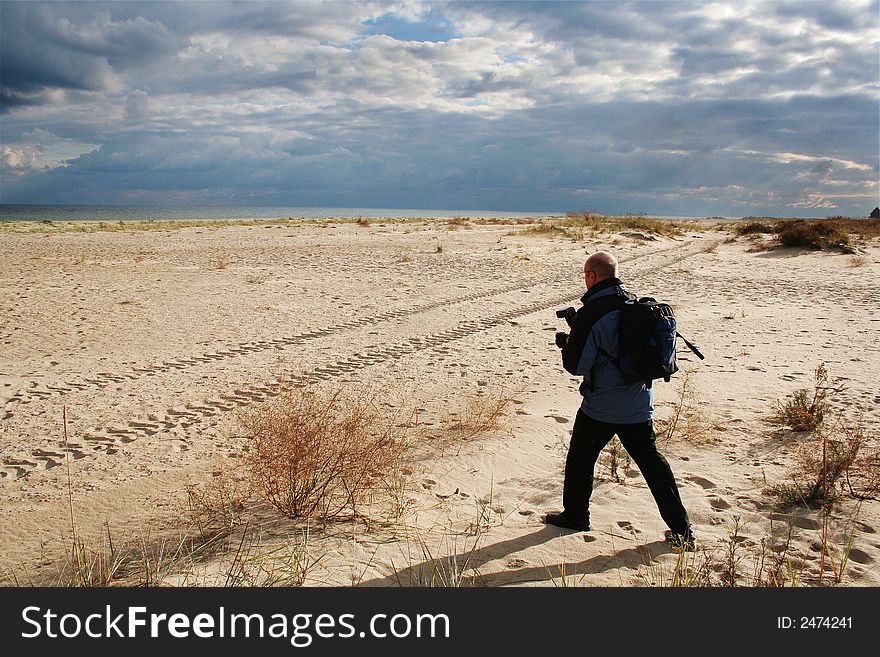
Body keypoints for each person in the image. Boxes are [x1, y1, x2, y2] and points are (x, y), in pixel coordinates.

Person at [545, 251, 695, 550]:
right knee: (653, 464)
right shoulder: (635, 304)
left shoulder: (593, 312)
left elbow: (577, 366)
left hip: (602, 405)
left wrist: (567, 345)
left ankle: (576, 515)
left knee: (580, 459)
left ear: (591, 276)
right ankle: (682, 530)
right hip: (639, 404)